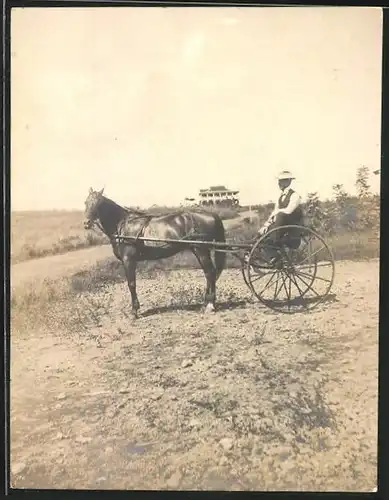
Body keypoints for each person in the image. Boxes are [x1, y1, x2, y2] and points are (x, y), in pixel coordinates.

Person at [245, 171, 304, 267]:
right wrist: (265, 226)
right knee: (260, 234)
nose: (279, 183)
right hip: (280, 226)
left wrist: (276, 214)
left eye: (281, 181)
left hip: (292, 228)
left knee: (280, 215)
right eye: (279, 181)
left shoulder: (295, 196)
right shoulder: (280, 197)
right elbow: (274, 213)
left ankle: (273, 244)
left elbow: (288, 211)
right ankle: (252, 251)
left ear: (288, 181)